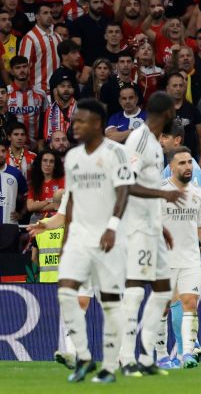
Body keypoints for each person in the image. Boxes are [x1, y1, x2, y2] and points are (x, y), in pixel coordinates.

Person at [26, 99, 134, 383]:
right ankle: (74, 353)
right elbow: (66, 210)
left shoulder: (117, 154)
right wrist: (45, 224)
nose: (76, 126)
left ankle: (123, 356)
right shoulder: (73, 160)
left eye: (81, 121)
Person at [118, 92, 184, 378]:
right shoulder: (140, 139)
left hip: (150, 226)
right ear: (168, 112)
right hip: (135, 226)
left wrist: (161, 226)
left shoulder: (156, 146)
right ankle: (125, 356)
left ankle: (145, 355)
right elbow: (125, 183)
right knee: (134, 291)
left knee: (162, 290)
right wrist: (162, 193)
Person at [156, 146, 201, 369]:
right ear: (171, 167)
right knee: (163, 307)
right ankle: (162, 356)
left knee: (190, 303)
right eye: (182, 163)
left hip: (190, 259)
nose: (188, 166)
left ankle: (188, 354)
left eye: (190, 162)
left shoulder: (198, 193)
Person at [7, 55, 48, 148]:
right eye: (17, 68)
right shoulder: (5, 94)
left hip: (36, 147)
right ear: (12, 71)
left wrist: (41, 142)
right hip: (11, 149)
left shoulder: (41, 93)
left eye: (24, 66)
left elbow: (45, 120)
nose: (22, 70)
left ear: (29, 68)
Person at [19, 2, 61, 92]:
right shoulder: (29, 38)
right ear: (37, 16)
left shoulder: (57, 36)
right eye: (45, 13)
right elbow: (22, 68)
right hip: (38, 91)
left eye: (50, 13)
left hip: (57, 90)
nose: (49, 16)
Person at [0, 140, 27, 226]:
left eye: (3, 151)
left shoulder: (15, 173)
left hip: (9, 225)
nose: (0, 154)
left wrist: (21, 213)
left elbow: (28, 195)